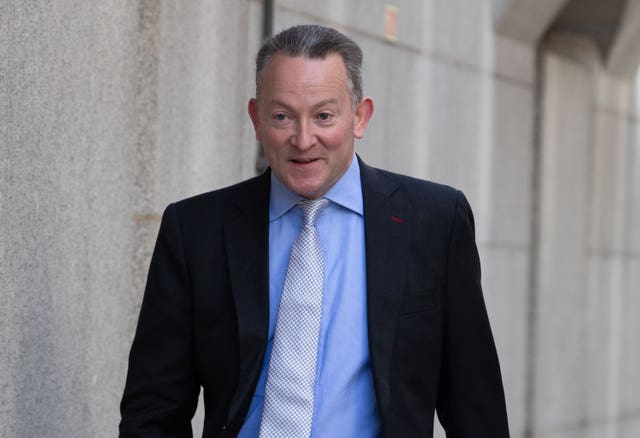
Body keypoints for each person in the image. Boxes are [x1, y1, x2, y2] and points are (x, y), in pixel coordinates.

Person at [120, 24, 509, 437]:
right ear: (256, 119)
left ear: (360, 116)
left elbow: (475, 408)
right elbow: (153, 409)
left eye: (324, 115)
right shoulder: (196, 230)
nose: (303, 140)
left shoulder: (434, 221)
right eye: (282, 116)